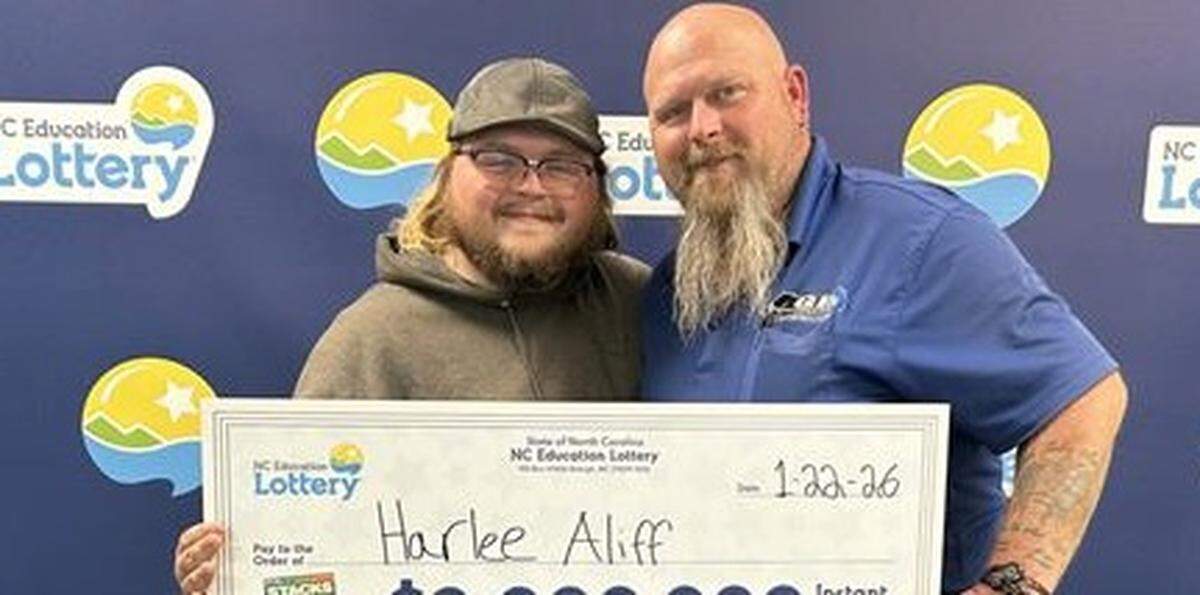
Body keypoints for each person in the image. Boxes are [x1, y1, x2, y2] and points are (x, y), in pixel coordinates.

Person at [638, 4, 1127, 594]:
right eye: (672, 112)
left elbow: (1082, 401)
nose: (702, 128)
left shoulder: (919, 241)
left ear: (795, 96)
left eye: (727, 93)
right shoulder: (665, 296)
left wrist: (1014, 584)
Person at [173, 57, 648, 593]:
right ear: (447, 175)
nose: (531, 186)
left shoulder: (640, 304)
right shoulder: (370, 340)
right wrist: (236, 573)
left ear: (596, 188)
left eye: (561, 166)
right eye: (498, 160)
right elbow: (301, 551)